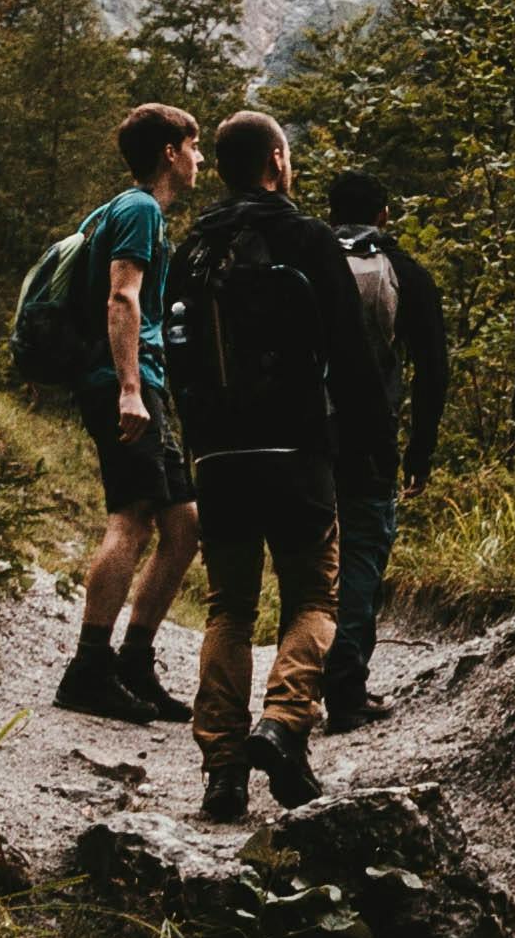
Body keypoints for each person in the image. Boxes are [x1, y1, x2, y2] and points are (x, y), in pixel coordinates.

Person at [166, 105, 393, 823]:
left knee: (229, 608)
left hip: (219, 455)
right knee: (313, 601)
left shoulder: (194, 246)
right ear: (275, 163)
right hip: (299, 451)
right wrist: (370, 446)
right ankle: (285, 724)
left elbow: (174, 353)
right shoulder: (306, 237)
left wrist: (198, 439)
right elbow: (352, 357)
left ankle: (223, 772)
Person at [49, 105, 205, 724]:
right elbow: (123, 296)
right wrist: (130, 389)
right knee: (133, 516)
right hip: (125, 382)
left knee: (185, 524)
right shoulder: (139, 209)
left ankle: (133, 663)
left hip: (143, 381)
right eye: (194, 147)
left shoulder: (127, 210)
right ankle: (88, 668)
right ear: (169, 151)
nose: (200, 160)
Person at [318, 172, 457, 727]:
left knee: (308, 560)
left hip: (300, 435)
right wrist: (421, 451)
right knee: (361, 557)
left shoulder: (309, 261)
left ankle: (293, 684)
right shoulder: (406, 272)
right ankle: (346, 690)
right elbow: (434, 373)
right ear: (384, 214)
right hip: (369, 440)